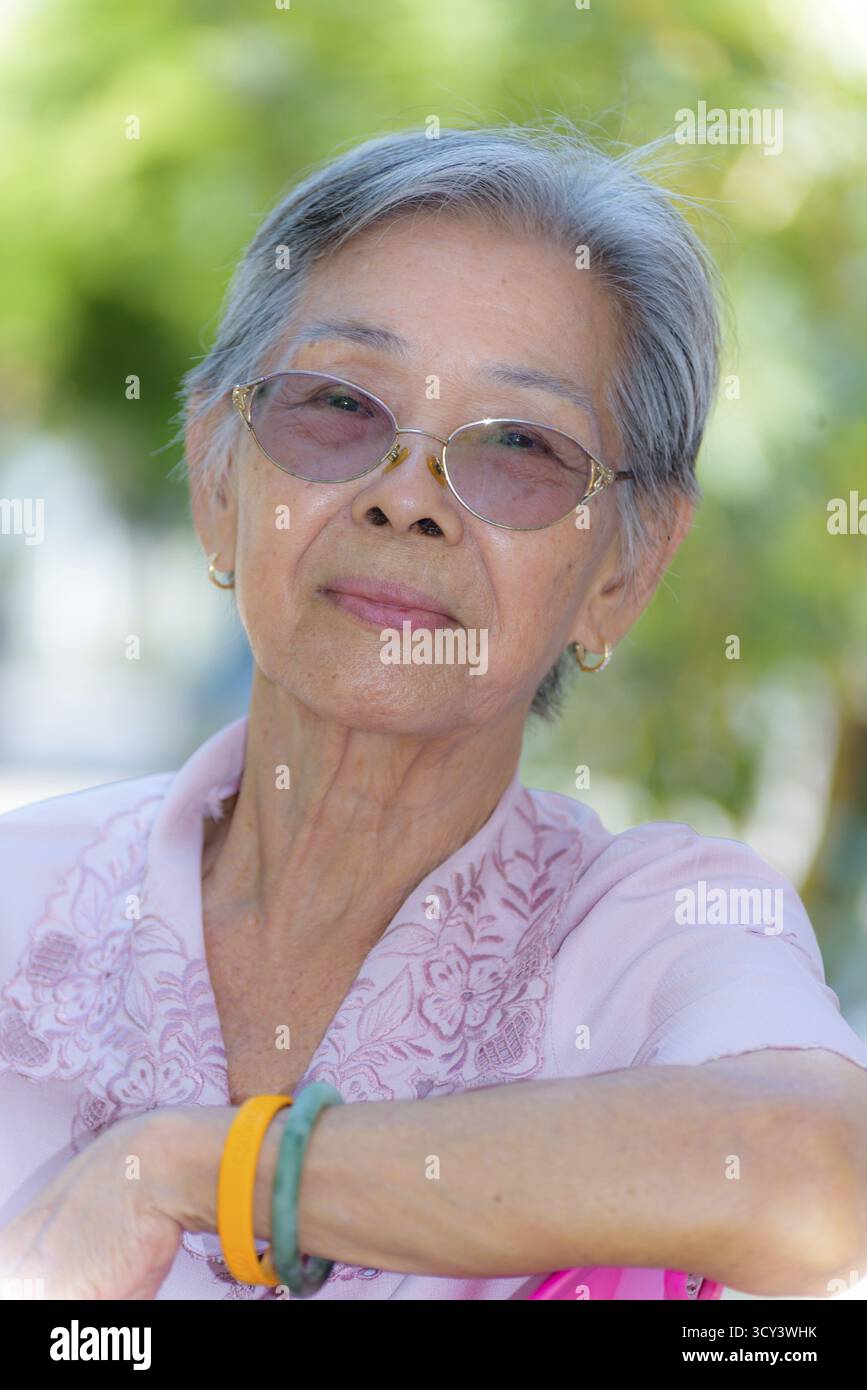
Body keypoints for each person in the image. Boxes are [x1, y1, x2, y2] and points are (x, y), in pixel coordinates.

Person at [2, 122, 866, 1302]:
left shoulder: (650, 935)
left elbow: (817, 1179)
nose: (407, 497)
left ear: (623, 567)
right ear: (217, 478)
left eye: (519, 446)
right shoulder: (20, 897)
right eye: (339, 407)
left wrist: (205, 1170)